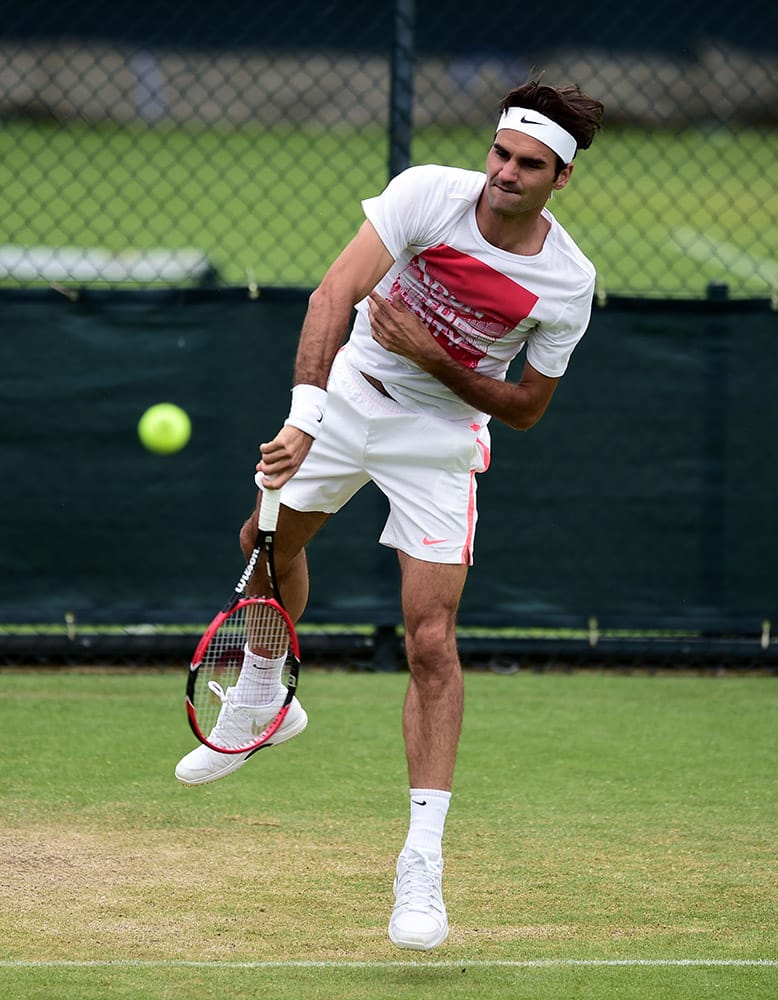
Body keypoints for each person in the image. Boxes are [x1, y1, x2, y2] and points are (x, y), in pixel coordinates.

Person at [175, 79, 604, 951]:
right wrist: (304, 417)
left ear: (560, 178)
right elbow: (332, 298)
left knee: (430, 640)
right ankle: (264, 696)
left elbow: (524, 409)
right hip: (350, 394)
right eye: (500, 154)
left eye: (529, 166)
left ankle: (422, 865)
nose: (504, 175)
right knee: (264, 544)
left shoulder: (567, 283)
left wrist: (433, 357)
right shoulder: (424, 196)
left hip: (441, 436)